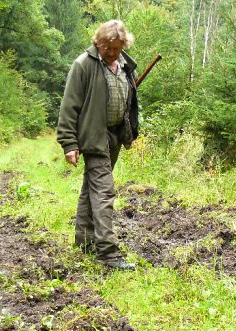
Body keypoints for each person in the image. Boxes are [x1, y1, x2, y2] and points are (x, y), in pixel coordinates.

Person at [57, 20, 139, 270]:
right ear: (98, 43)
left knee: (91, 189)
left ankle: (84, 241)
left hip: (115, 136)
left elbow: (130, 101)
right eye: (106, 47)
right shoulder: (84, 65)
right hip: (94, 136)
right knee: (104, 192)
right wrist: (69, 142)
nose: (110, 52)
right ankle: (108, 253)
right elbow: (69, 106)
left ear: (123, 45)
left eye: (115, 48)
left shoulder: (126, 66)